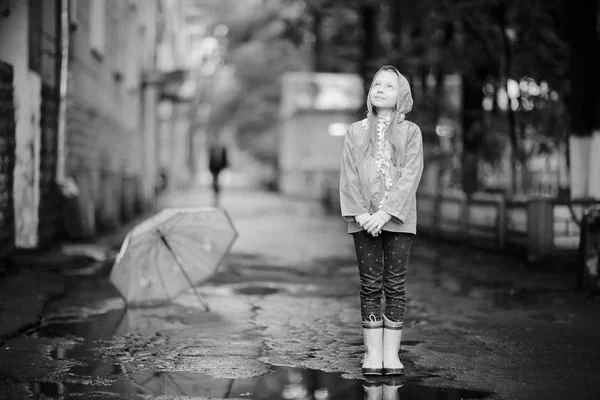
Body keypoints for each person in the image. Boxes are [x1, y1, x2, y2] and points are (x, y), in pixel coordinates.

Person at [339, 65, 424, 376]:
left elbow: (411, 174)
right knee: (370, 285)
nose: (380, 89)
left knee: (395, 285)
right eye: (377, 84)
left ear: (401, 94)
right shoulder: (354, 131)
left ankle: (392, 353)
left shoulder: (410, 132)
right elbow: (348, 175)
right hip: (362, 221)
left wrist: (386, 213)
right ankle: (373, 353)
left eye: (389, 86)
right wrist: (362, 214)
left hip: (399, 220)